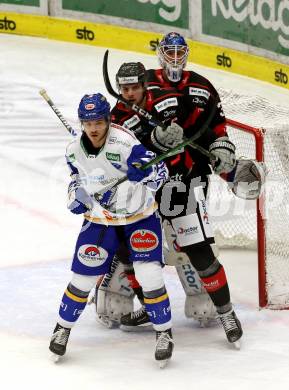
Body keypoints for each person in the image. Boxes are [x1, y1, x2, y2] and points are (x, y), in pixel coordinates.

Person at [107, 58, 244, 348]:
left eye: (133, 87)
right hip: (143, 195)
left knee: (199, 254)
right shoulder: (116, 120)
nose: (128, 93)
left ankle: (227, 313)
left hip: (180, 185)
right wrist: (154, 141)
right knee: (132, 254)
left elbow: (200, 128)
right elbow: (120, 159)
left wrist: (217, 147)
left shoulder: (171, 99)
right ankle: (150, 307)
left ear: (145, 85)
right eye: (124, 88)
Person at [49, 93, 173, 367]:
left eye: (98, 122)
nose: (93, 129)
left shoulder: (126, 141)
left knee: (149, 275)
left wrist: (148, 173)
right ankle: (62, 328)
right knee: (82, 280)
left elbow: (161, 171)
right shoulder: (73, 151)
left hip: (139, 216)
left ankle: (164, 333)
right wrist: (76, 195)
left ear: (107, 120)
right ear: (82, 123)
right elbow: (75, 181)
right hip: (101, 219)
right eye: (88, 123)